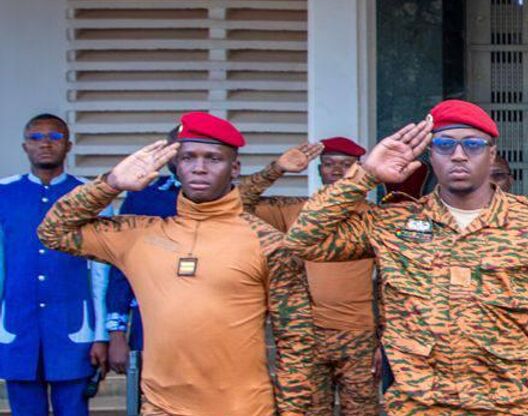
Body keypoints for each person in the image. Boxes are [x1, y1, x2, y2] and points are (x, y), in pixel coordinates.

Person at [285, 100, 528, 416]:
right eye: (444, 144)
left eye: (473, 145)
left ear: (491, 154)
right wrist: (365, 174)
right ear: (430, 155)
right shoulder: (392, 223)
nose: (459, 155)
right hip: (418, 405)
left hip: (505, 405)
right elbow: (303, 240)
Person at [37, 112, 315, 416]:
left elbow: (297, 343)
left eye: (213, 158)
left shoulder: (268, 244)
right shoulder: (139, 235)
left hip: (243, 408)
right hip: (161, 408)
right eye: (188, 158)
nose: (199, 168)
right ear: (175, 165)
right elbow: (53, 232)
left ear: (234, 167)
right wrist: (111, 183)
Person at [237, 137, 380, 416]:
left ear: (360, 169)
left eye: (346, 165)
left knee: (362, 412)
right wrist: (277, 168)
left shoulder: (376, 217)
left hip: (358, 335)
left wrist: (383, 341)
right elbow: (236, 204)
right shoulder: (296, 210)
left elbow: (390, 283)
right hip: (304, 336)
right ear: (319, 170)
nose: (337, 171)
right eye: (329, 164)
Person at [1, 115, 107, 416]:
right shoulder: (3, 193)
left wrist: (101, 334)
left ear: (69, 145)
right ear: (25, 146)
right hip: (16, 326)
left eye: (55, 137)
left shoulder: (90, 195)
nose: (45, 143)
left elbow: (102, 273)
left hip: (73, 326)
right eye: (36, 137)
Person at [103, 132, 182, 409]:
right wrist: (116, 333)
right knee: (150, 404)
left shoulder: (235, 198)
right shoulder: (144, 194)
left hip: (213, 328)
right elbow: (122, 263)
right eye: (180, 150)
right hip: (149, 324)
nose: (195, 163)